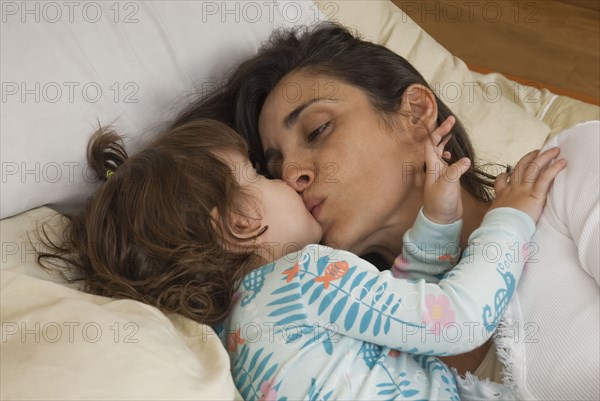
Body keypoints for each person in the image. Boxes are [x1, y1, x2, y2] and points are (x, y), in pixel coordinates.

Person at [170, 22, 599, 400]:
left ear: (416, 111)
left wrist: (506, 219)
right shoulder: (353, 338)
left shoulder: (570, 169)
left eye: (317, 130)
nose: (292, 176)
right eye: (274, 168)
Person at [38, 116, 564, 400]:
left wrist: (436, 219)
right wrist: (510, 216)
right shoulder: (304, 275)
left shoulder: (233, 337)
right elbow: (456, 322)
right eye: (260, 174)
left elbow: (400, 333)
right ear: (241, 223)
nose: (286, 178)